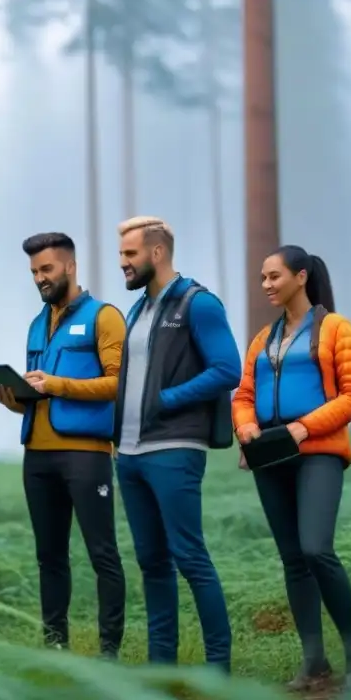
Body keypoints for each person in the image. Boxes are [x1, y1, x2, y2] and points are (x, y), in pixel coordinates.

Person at [232, 245, 351, 693]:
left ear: (301, 276)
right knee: (293, 560)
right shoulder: (262, 339)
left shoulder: (335, 328)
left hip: (319, 452)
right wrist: (247, 428)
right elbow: (242, 395)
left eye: (274, 276)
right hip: (269, 458)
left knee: (316, 549)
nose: (267, 285)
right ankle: (314, 662)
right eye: (262, 278)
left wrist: (303, 428)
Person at [113, 216, 241, 673]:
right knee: (151, 561)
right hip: (127, 455)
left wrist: (167, 399)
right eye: (121, 254)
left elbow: (228, 369)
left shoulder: (198, 303)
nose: (122, 262)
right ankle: (161, 667)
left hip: (173, 449)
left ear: (157, 252)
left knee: (190, 556)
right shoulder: (138, 310)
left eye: (130, 254)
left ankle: (218, 670)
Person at [0, 232, 127, 659]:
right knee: (49, 557)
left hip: (86, 455)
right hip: (37, 455)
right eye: (34, 272)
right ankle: (55, 646)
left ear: (70, 266)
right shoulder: (37, 323)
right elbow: (39, 395)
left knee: (102, 553)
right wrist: (14, 398)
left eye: (46, 269)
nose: (40, 278)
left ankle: (109, 651)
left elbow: (118, 383)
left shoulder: (105, 317)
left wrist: (56, 385)